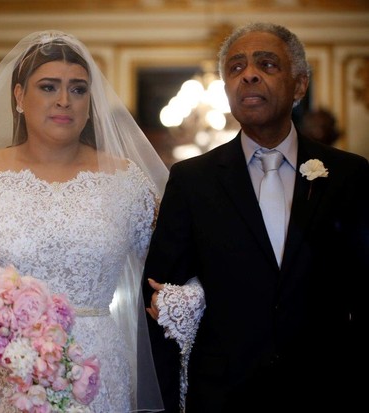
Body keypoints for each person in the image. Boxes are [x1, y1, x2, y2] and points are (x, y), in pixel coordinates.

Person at [0, 31, 170, 412]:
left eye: (78, 89)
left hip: (95, 369)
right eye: (48, 87)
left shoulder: (126, 181)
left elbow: (170, 264)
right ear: (18, 97)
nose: (64, 100)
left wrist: (183, 298)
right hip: (6, 369)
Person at [144, 22, 368, 413]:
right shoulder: (192, 180)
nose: (248, 74)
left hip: (328, 389)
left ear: (299, 85)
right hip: (222, 396)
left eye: (267, 64)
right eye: (236, 67)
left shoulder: (350, 174)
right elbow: (161, 298)